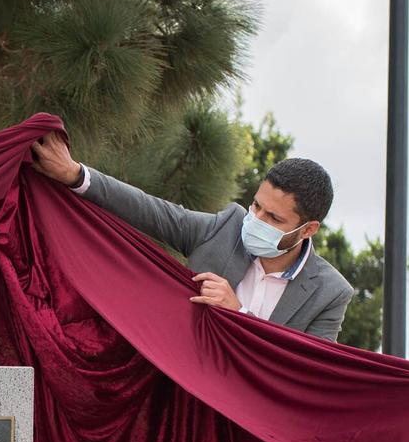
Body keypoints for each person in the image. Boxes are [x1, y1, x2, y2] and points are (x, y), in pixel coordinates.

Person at [28, 130, 354, 342]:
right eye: (256, 206)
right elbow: (148, 210)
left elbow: (306, 370)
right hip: (182, 406)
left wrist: (238, 316)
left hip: (254, 432)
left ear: (308, 229)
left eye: (274, 218)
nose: (256, 220)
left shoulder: (329, 293)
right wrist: (75, 175)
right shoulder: (223, 229)